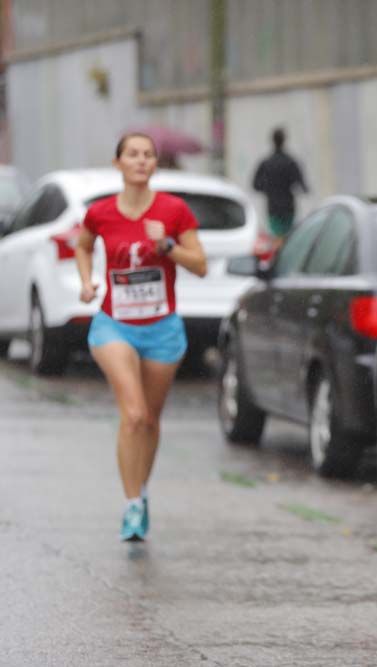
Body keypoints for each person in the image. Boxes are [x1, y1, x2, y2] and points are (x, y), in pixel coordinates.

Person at [75, 132, 207, 542]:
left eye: (148, 155)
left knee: (149, 420)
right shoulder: (99, 213)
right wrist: (86, 282)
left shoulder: (174, 210)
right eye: (132, 154)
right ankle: (132, 505)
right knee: (132, 414)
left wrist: (166, 245)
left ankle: (141, 491)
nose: (141, 161)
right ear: (118, 164)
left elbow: (199, 264)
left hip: (162, 329)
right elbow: (82, 246)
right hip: (114, 324)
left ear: (154, 165)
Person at [252, 127, 308, 243]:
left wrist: (268, 189)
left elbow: (255, 185)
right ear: (284, 140)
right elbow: (302, 185)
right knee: (288, 238)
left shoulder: (266, 163)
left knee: (277, 238)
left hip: (273, 207)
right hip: (288, 206)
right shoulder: (290, 162)